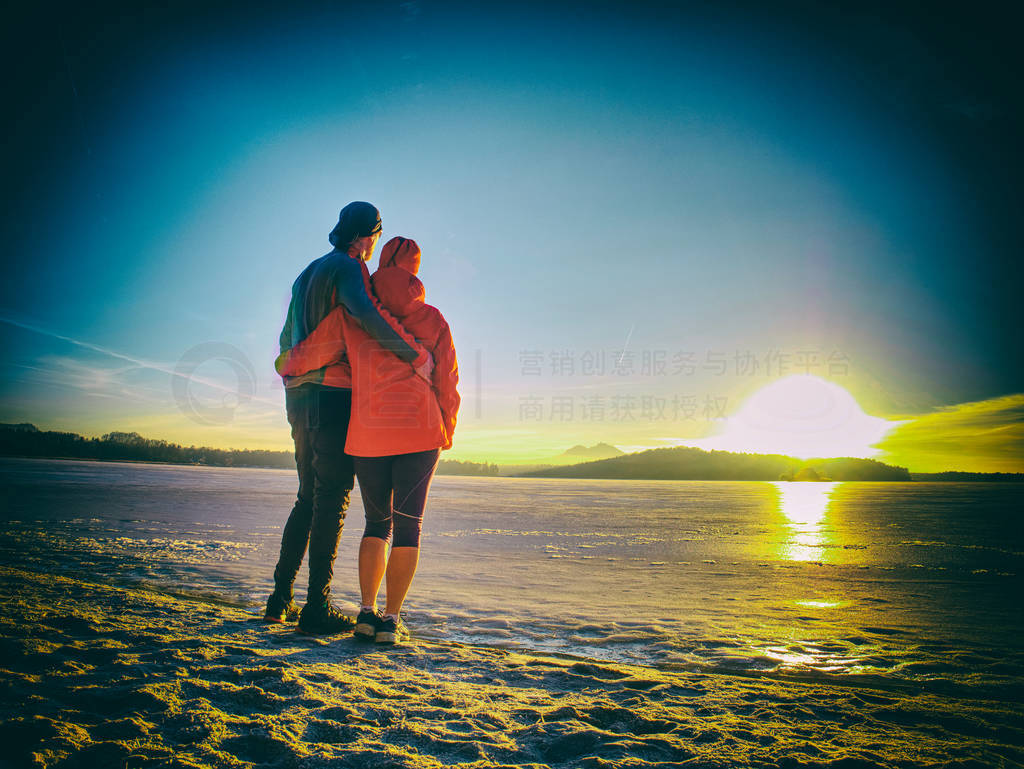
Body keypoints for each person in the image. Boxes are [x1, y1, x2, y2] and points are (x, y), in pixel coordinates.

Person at [278, 236, 459, 643]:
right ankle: (391, 621)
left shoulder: (352, 316)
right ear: (415, 269)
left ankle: (365, 613)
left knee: (377, 524)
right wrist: (447, 426)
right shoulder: (433, 319)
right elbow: (447, 381)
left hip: (367, 434)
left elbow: (310, 353)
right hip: (419, 430)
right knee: (409, 527)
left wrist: (284, 362)